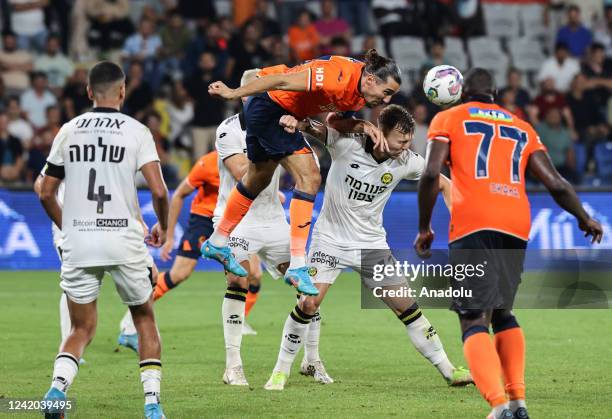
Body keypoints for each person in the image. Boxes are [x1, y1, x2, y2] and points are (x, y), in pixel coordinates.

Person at [415, 68, 603, 419]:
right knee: (503, 311)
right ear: (495, 92)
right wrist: (584, 217)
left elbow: (430, 173)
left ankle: (498, 407)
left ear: (461, 91)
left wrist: (424, 226)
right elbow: (556, 182)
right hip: (516, 224)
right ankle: (518, 403)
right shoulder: (522, 126)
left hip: (474, 223)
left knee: (473, 318)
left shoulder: (449, 117)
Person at [262, 104, 473, 391]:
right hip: (330, 242)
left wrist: (458, 221)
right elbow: (316, 127)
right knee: (308, 304)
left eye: (409, 141)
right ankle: (279, 372)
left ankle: (449, 371)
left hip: (371, 245)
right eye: (400, 140)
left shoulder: (407, 161)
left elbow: (443, 183)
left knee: (408, 308)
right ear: (381, 133)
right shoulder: (346, 144)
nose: (405, 147)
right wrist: (296, 122)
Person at [204, 49, 402, 297]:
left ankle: (218, 242)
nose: (386, 100)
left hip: (270, 108)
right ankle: (298, 266)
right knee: (309, 177)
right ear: (371, 80)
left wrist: (362, 124)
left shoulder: (361, 94)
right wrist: (233, 92)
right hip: (270, 104)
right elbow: (282, 80)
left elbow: (334, 122)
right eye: (387, 93)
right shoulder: (336, 76)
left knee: (258, 178)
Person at [38, 61, 169, 419]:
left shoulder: (68, 130)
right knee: (143, 318)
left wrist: (69, 228)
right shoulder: (137, 131)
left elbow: (45, 192)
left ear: (88, 92)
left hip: (80, 240)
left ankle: (56, 390)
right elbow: (158, 190)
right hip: (123, 238)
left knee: (82, 327)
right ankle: (152, 404)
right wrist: (164, 226)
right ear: (123, 91)